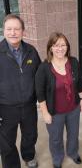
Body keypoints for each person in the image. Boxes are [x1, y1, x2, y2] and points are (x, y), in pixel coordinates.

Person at [35, 32, 82, 168]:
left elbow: (78, 82)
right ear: (50, 47)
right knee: (56, 139)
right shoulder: (44, 68)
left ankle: (73, 153)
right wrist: (45, 113)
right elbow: (40, 93)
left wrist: (81, 99)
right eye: (56, 45)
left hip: (73, 109)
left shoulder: (73, 62)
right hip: (54, 112)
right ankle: (57, 158)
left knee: (73, 135)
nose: (60, 48)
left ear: (67, 47)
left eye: (63, 45)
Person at [0, 14, 41, 168]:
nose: (13, 32)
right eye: (9, 29)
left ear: (23, 31)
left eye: (17, 29)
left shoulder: (31, 51)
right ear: (4, 31)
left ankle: (28, 155)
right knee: (6, 142)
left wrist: (42, 100)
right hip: (6, 107)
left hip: (29, 104)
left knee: (30, 134)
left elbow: (39, 77)